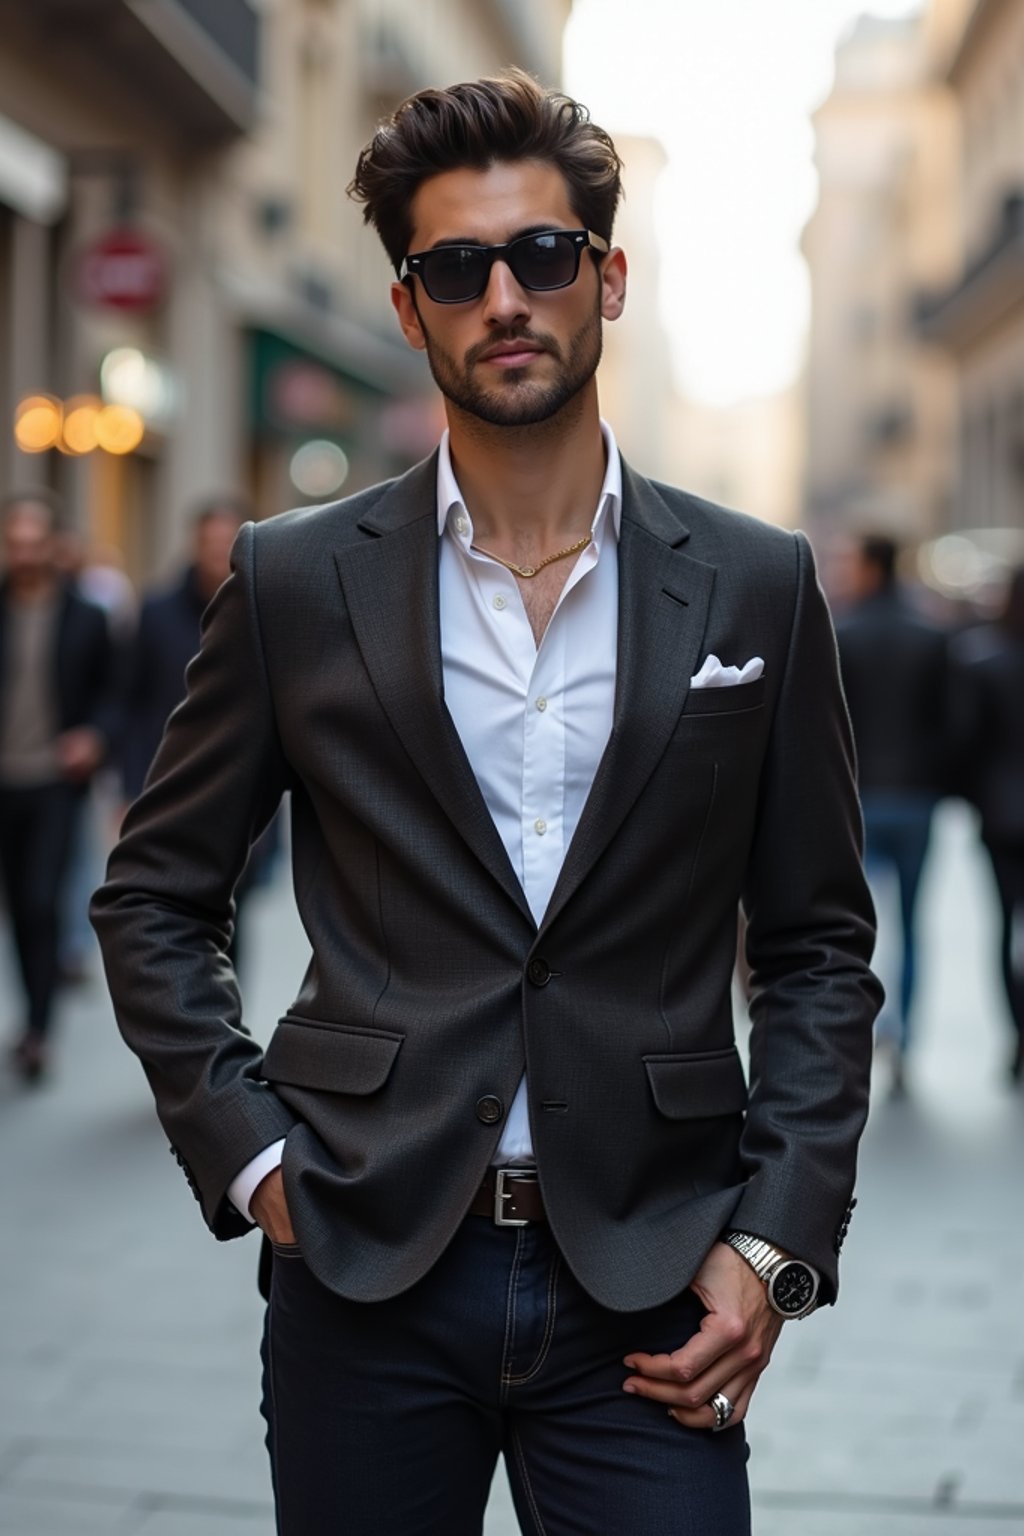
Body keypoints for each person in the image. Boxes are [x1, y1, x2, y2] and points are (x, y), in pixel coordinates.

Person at [92, 71, 881, 1536]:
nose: (504, 296)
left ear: (609, 278)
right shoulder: (293, 579)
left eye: (543, 255)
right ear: (411, 310)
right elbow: (154, 896)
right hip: (366, 1266)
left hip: (651, 1282)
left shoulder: (756, 582)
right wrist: (256, 1159)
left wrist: (774, 1241)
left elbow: (821, 946)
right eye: (456, 268)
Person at [118, 496, 279, 970]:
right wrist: (129, 788)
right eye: (208, 542)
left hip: (248, 791)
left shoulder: (271, 610)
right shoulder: (157, 611)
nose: (217, 552)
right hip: (169, 782)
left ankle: (227, 1013)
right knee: (173, 908)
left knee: (233, 911)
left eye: (226, 542)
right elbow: (132, 700)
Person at [0, 490, 117, 1081]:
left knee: (43, 900)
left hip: (53, 781)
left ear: (52, 545)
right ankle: (31, 1008)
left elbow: (114, 695)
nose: (23, 552)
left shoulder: (86, 616)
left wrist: (93, 736)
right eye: (12, 542)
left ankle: (39, 1029)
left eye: (32, 541)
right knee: (18, 906)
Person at [835, 533, 949, 1096]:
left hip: (859, 797)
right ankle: (904, 1037)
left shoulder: (844, 633)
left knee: (856, 927)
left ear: (870, 567)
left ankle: (867, 1032)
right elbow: (952, 721)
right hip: (917, 797)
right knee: (911, 922)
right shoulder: (931, 634)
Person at [951, 568, 1024, 1083]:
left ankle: (1018, 1030)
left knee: (1005, 927)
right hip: (1001, 810)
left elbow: (966, 742)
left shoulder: (986, 663)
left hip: (1002, 814)